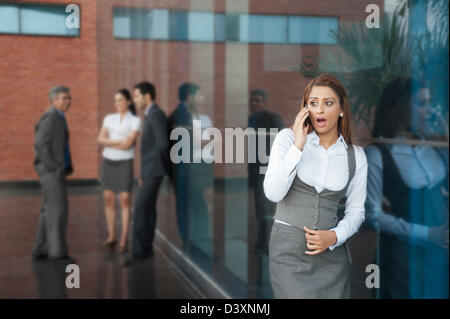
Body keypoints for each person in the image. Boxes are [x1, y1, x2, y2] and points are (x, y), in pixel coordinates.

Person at [264, 73, 368, 298]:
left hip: (332, 258)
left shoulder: (356, 156)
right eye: (313, 103)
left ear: (341, 109)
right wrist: (298, 147)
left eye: (328, 103)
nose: (319, 110)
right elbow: (273, 193)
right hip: (288, 254)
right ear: (305, 108)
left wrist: (335, 236)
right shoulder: (287, 139)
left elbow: (357, 211)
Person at [364, 77, 449, 298]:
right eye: (421, 103)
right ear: (399, 106)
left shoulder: (433, 147)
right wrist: (428, 234)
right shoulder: (377, 154)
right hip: (402, 259)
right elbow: (373, 215)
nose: (429, 110)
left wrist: (445, 138)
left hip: (438, 254)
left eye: (430, 103)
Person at [124, 82, 169, 266]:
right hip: (150, 170)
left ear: (147, 96)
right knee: (147, 209)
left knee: (141, 210)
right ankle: (146, 249)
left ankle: (139, 253)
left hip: (155, 170)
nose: (134, 100)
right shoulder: (151, 114)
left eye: (136, 96)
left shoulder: (156, 114)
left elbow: (162, 144)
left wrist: (165, 168)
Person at [168, 83, 214, 253]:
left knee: (203, 202)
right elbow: (201, 141)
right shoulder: (182, 116)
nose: (202, 99)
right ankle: (193, 239)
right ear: (190, 96)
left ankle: (200, 237)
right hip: (189, 166)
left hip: (204, 164)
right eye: (199, 95)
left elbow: (208, 142)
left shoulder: (204, 119)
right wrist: (209, 138)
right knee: (195, 203)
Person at [32, 86, 75, 264]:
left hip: (56, 170)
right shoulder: (51, 116)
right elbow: (40, 144)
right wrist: (52, 167)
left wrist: (65, 166)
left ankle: (40, 249)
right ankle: (57, 253)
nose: (67, 101)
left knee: (48, 210)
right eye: (63, 98)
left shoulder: (60, 116)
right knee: (58, 210)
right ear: (53, 100)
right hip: (51, 171)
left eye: (69, 98)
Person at [97, 89, 141, 253]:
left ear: (129, 101)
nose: (117, 103)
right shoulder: (109, 118)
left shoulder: (136, 121)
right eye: (115, 100)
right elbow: (99, 139)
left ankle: (124, 237)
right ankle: (112, 236)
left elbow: (128, 145)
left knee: (124, 199)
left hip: (124, 163)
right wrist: (119, 142)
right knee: (108, 199)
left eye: (120, 100)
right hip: (108, 161)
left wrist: (109, 142)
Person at [247, 89, 285, 254]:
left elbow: (283, 139)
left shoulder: (271, 117)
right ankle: (262, 241)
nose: (254, 104)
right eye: (252, 100)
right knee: (259, 209)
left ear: (264, 102)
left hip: (268, 168)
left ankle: (270, 244)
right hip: (256, 169)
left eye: (257, 101)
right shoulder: (251, 119)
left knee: (268, 209)